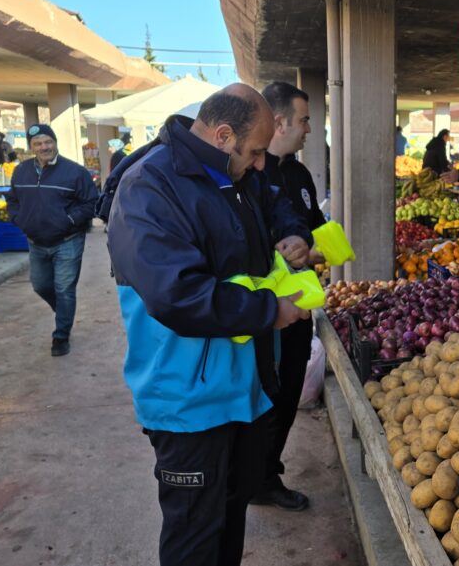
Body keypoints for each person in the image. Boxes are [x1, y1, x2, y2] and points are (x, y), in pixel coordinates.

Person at [107, 83, 313, 566]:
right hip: (188, 400)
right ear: (222, 135)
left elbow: (275, 202)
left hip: (244, 390)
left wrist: (293, 233)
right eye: (257, 151)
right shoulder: (148, 187)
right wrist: (271, 310)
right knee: (194, 534)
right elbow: (178, 295)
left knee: (229, 517)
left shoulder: (236, 173)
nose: (263, 163)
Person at [253, 81, 327, 512]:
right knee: (264, 392)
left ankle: (268, 473)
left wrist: (313, 244)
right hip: (261, 313)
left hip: (300, 303)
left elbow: (312, 224)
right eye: (303, 120)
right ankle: (256, 474)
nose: (308, 130)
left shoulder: (298, 174)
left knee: (289, 390)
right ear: (278, 121)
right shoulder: (249, 173)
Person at [6, 124, 99, 357]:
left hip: (68, 240)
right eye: (38, 143)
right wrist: (20, 219)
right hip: (36, 242)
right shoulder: (21, 171)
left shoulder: (75, 172)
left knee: (64, 289)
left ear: (55, 142)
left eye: (48, 142)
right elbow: (13, 200)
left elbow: (90, 203)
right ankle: (64, 313)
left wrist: (67, 220)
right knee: (41, 285)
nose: (44, 147)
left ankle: (61, 337)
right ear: (31, 147)